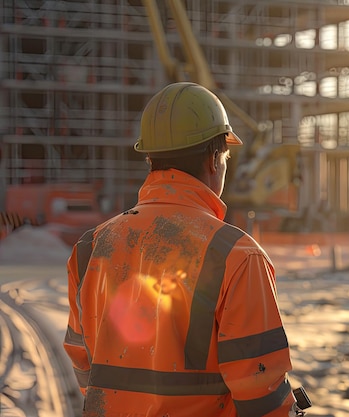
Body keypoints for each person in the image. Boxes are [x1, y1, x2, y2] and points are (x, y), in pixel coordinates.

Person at [63, 82, 303, 416]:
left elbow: (84, 366)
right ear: (214, 159)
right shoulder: (237, 256)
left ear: (150, 159)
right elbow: (261, 393)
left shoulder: (91, 248)